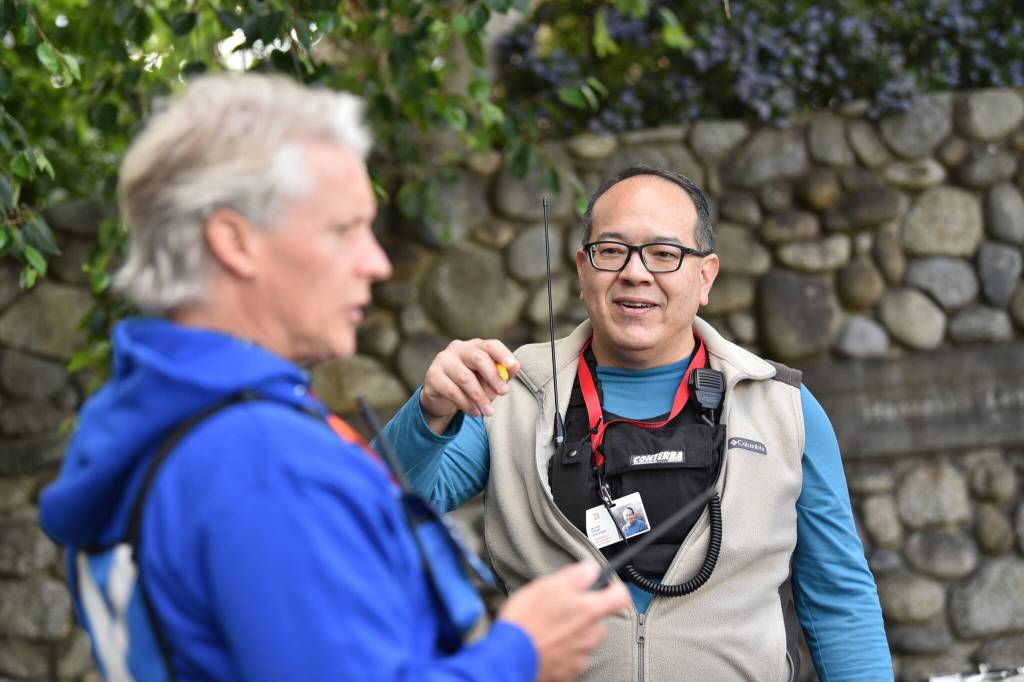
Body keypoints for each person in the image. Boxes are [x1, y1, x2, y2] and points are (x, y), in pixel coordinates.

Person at [38, 73, 628, 682]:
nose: (376, 263)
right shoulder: (268, 463)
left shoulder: (145, 418)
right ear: (235, 242)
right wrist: (520, 655)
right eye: (344, 229)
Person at [382, 166, 894, 680]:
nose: (635, 272)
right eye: (612, 251)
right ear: (583, 270)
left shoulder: (782, 406)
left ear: (706, 276)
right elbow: (380, 511)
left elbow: (839, 599)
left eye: (664, 254)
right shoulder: (511, 396)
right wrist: (429, 411)